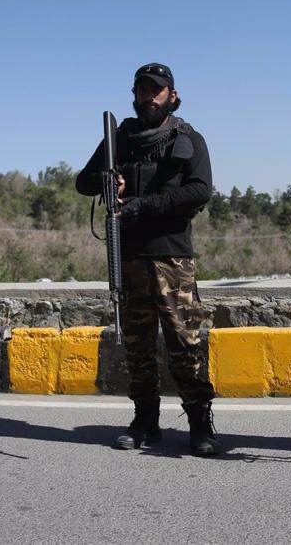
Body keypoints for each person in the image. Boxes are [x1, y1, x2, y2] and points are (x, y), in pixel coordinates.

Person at [75, 62, 220, 456]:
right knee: (137, 345)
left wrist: (143, 206)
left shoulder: (188, 137)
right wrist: (110, 176)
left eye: (156, 90)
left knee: (185, 343)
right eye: (142, 89)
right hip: (129, 256)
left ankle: (199, 423)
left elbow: (200, 190)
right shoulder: (119, 138)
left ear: (172, 95)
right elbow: (83, 181)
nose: (148, 96)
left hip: (172, 257)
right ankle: (145, 421)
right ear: (134, 95)